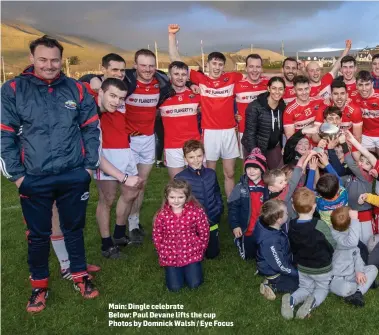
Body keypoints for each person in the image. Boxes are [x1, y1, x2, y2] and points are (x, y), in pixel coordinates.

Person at [1, 35, 101, 312]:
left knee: (74, 229)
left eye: (54, 59)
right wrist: (18, 176)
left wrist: (89, 167)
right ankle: (39, 287)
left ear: (62, 60)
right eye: (43, 59)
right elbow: (4, 134)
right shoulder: (12, 89)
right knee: (38, 235)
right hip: (33, 177)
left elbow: (91, 127)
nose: (49, 65)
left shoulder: (75, 89)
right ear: (32, 59)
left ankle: (80, 275)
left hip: (73, 174)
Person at [168, 24, 243, 198]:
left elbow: (254, 80)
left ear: (224, 66)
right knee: (209, 174)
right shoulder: (199, 79)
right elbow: (175, 61)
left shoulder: (232, 78)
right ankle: (210, 205)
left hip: (229, 132)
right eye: (214, 63)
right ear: (208, 64)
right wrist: (172, 36)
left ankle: (231, 208)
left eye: (220, 64)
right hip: (209, 133)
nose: (216, 67)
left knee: (230, 173)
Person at [93, 78, 142, 256]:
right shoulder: (92, 106)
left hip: (125, 150)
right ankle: (106, 244)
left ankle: (119, 234)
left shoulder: (119, 100)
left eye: (120, 98)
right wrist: (91, 80)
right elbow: (83, 83)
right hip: (106, 153)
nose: (117, 101)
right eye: (113, 96)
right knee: (108, 198)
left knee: (131, 192)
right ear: (101, 91)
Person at [281, 188, 336, 320]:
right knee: (322, 289)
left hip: (303, 266)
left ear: (293, 207)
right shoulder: (320, 225)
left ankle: (292, 300)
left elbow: (292, 245)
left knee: (305, 287)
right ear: (314, 206)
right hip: (322, 267)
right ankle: (311, 302)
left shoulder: (292, 225)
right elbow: (332, 244)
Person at [152, 179, 210, 292]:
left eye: (180, 197)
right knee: (174, 288)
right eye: (172, 197)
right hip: (170, 256)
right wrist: (162, 251)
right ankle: (176, 272)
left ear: (187, 197)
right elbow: (157, 235)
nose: (176, 201)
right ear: (166, 197)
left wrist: (200, 247)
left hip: (192, 254)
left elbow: (204, 231)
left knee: (195, 284)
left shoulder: (196, 212)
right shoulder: (162, 215)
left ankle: (191, 269)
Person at [175, 140, 223, 259]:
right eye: (191, 157)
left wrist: (219, 208)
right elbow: (177, 204)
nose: (196, 160)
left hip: (212, 218)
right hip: (192, 224)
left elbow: (217, 192)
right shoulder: (180, 178)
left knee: (212, 254)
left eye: (199, 156)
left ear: (204, 155)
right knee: (195, 254)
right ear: (185, 159)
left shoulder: (211, 174)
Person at [158, 61, 201, 179]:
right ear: (169, 76)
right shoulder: (161, 96)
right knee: (177, 186)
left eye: (183, 74)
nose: (180, 77)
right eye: (176, 74)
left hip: (194, 145)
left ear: (187, 76)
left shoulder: (196, 94)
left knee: (198, 184)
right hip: (173, 147)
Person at [330, 207, 378, 307]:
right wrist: (355, 220)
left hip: (353, 274)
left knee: (373, 269)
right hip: (338, 277)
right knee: (345, 289)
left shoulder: (349, 235)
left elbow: (357, 257)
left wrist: (359, 271)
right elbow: (353, 242)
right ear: (350, 225)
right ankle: (362, 286)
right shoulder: (335, 237)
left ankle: (358, 292)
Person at [254, 199, 299, 301]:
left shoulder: (266, 223)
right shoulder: (270, 241)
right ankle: (271, 285)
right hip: (273, 270)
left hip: (277, 260)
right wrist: (297, 273)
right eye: (286, 213)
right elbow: (281, 266)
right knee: (299, 284)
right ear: (279, 220)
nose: (288, 214)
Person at [228, 148, 269, 260]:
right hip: (247, 228)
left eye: (255, 168)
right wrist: (235, 225)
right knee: (248, 257)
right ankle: (239, 239)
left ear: (262, 170)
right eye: (248, 168)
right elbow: (233, 207)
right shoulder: (240, 187)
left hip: (264, 228)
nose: (251, 171)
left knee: (263, 254)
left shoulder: (268, 187)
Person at [242, 76, 286, 168]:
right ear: (268, 88)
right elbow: (250, 133)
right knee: (256, 176)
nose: (277, 92)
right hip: (255, 147)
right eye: (274, 88)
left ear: (284, 90)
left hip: (273, 146)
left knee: (277, 175)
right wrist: (255, 153)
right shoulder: (255, 107)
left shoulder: (282, 106)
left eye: (280, 89)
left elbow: (281, 130)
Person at [235, 54, 270, 158]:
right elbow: (223, 102)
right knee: (247, 165)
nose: (255, 70)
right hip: (245, 132)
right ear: (246, 68)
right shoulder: (237, 85)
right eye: (251, 66)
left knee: (266, 166)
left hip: (265, 131)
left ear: (262, 68)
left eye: (258, 67)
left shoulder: (268, 83)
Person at [351, 71, 379, 154]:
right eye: (360, 85)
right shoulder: (353, 96)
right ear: (356, 85)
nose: (364, 89)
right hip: (365, 135)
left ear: (372, 84)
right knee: (368, 163)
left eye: (367, 84)